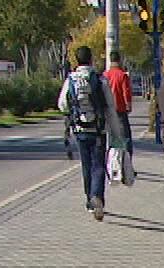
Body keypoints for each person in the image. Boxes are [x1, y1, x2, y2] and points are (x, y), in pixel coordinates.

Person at [58, 45, 121, 221]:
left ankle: (89, 201)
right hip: (98, 130)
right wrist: (116, 132)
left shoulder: (71, 79)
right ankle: (97, 197)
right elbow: (110, 105)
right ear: (91, 59)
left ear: (76, 61)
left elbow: (62, 104)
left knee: (86, 166)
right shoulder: (100, 80)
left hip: (80, 130)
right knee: (98, 165)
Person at [103, 50, 134, 162]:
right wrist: (128, 106)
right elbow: (126, 92)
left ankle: (112, 162)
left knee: (111, 138)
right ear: (119, 60)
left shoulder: (105, 75)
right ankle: (126, 163)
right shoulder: (122, 75)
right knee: (125, 138)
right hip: (120, 111)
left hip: (108, 112)